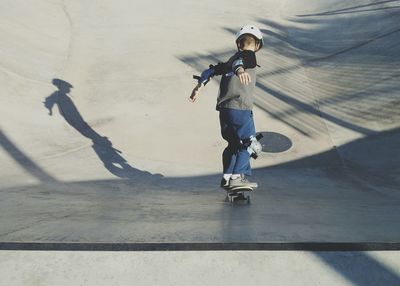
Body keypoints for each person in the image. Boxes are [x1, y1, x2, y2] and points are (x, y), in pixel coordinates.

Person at [190, 24, 263, 189]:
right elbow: (241, 61)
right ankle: (237, 178)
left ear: (238, 43)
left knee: (233, 145)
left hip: (224, 111)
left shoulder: (230, 61)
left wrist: (199, 86)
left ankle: (227, 177)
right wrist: (240, 70)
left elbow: (211, 71)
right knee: (251, 144)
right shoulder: (249, 56)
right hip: (241, 108)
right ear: (257, 45)